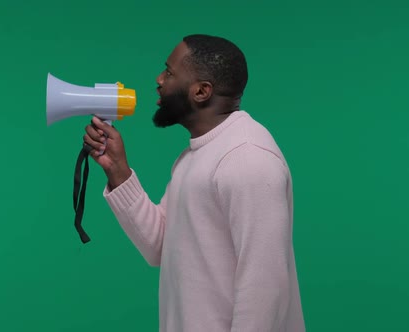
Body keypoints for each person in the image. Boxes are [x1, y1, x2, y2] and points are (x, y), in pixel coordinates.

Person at [83, 34, 305, 332]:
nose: (159, 79)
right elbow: (160, 246)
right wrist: (118, 170)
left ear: (201, 91)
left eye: (170, 72)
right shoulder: (196, 155)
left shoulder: (248, 158)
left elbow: (265, 287)